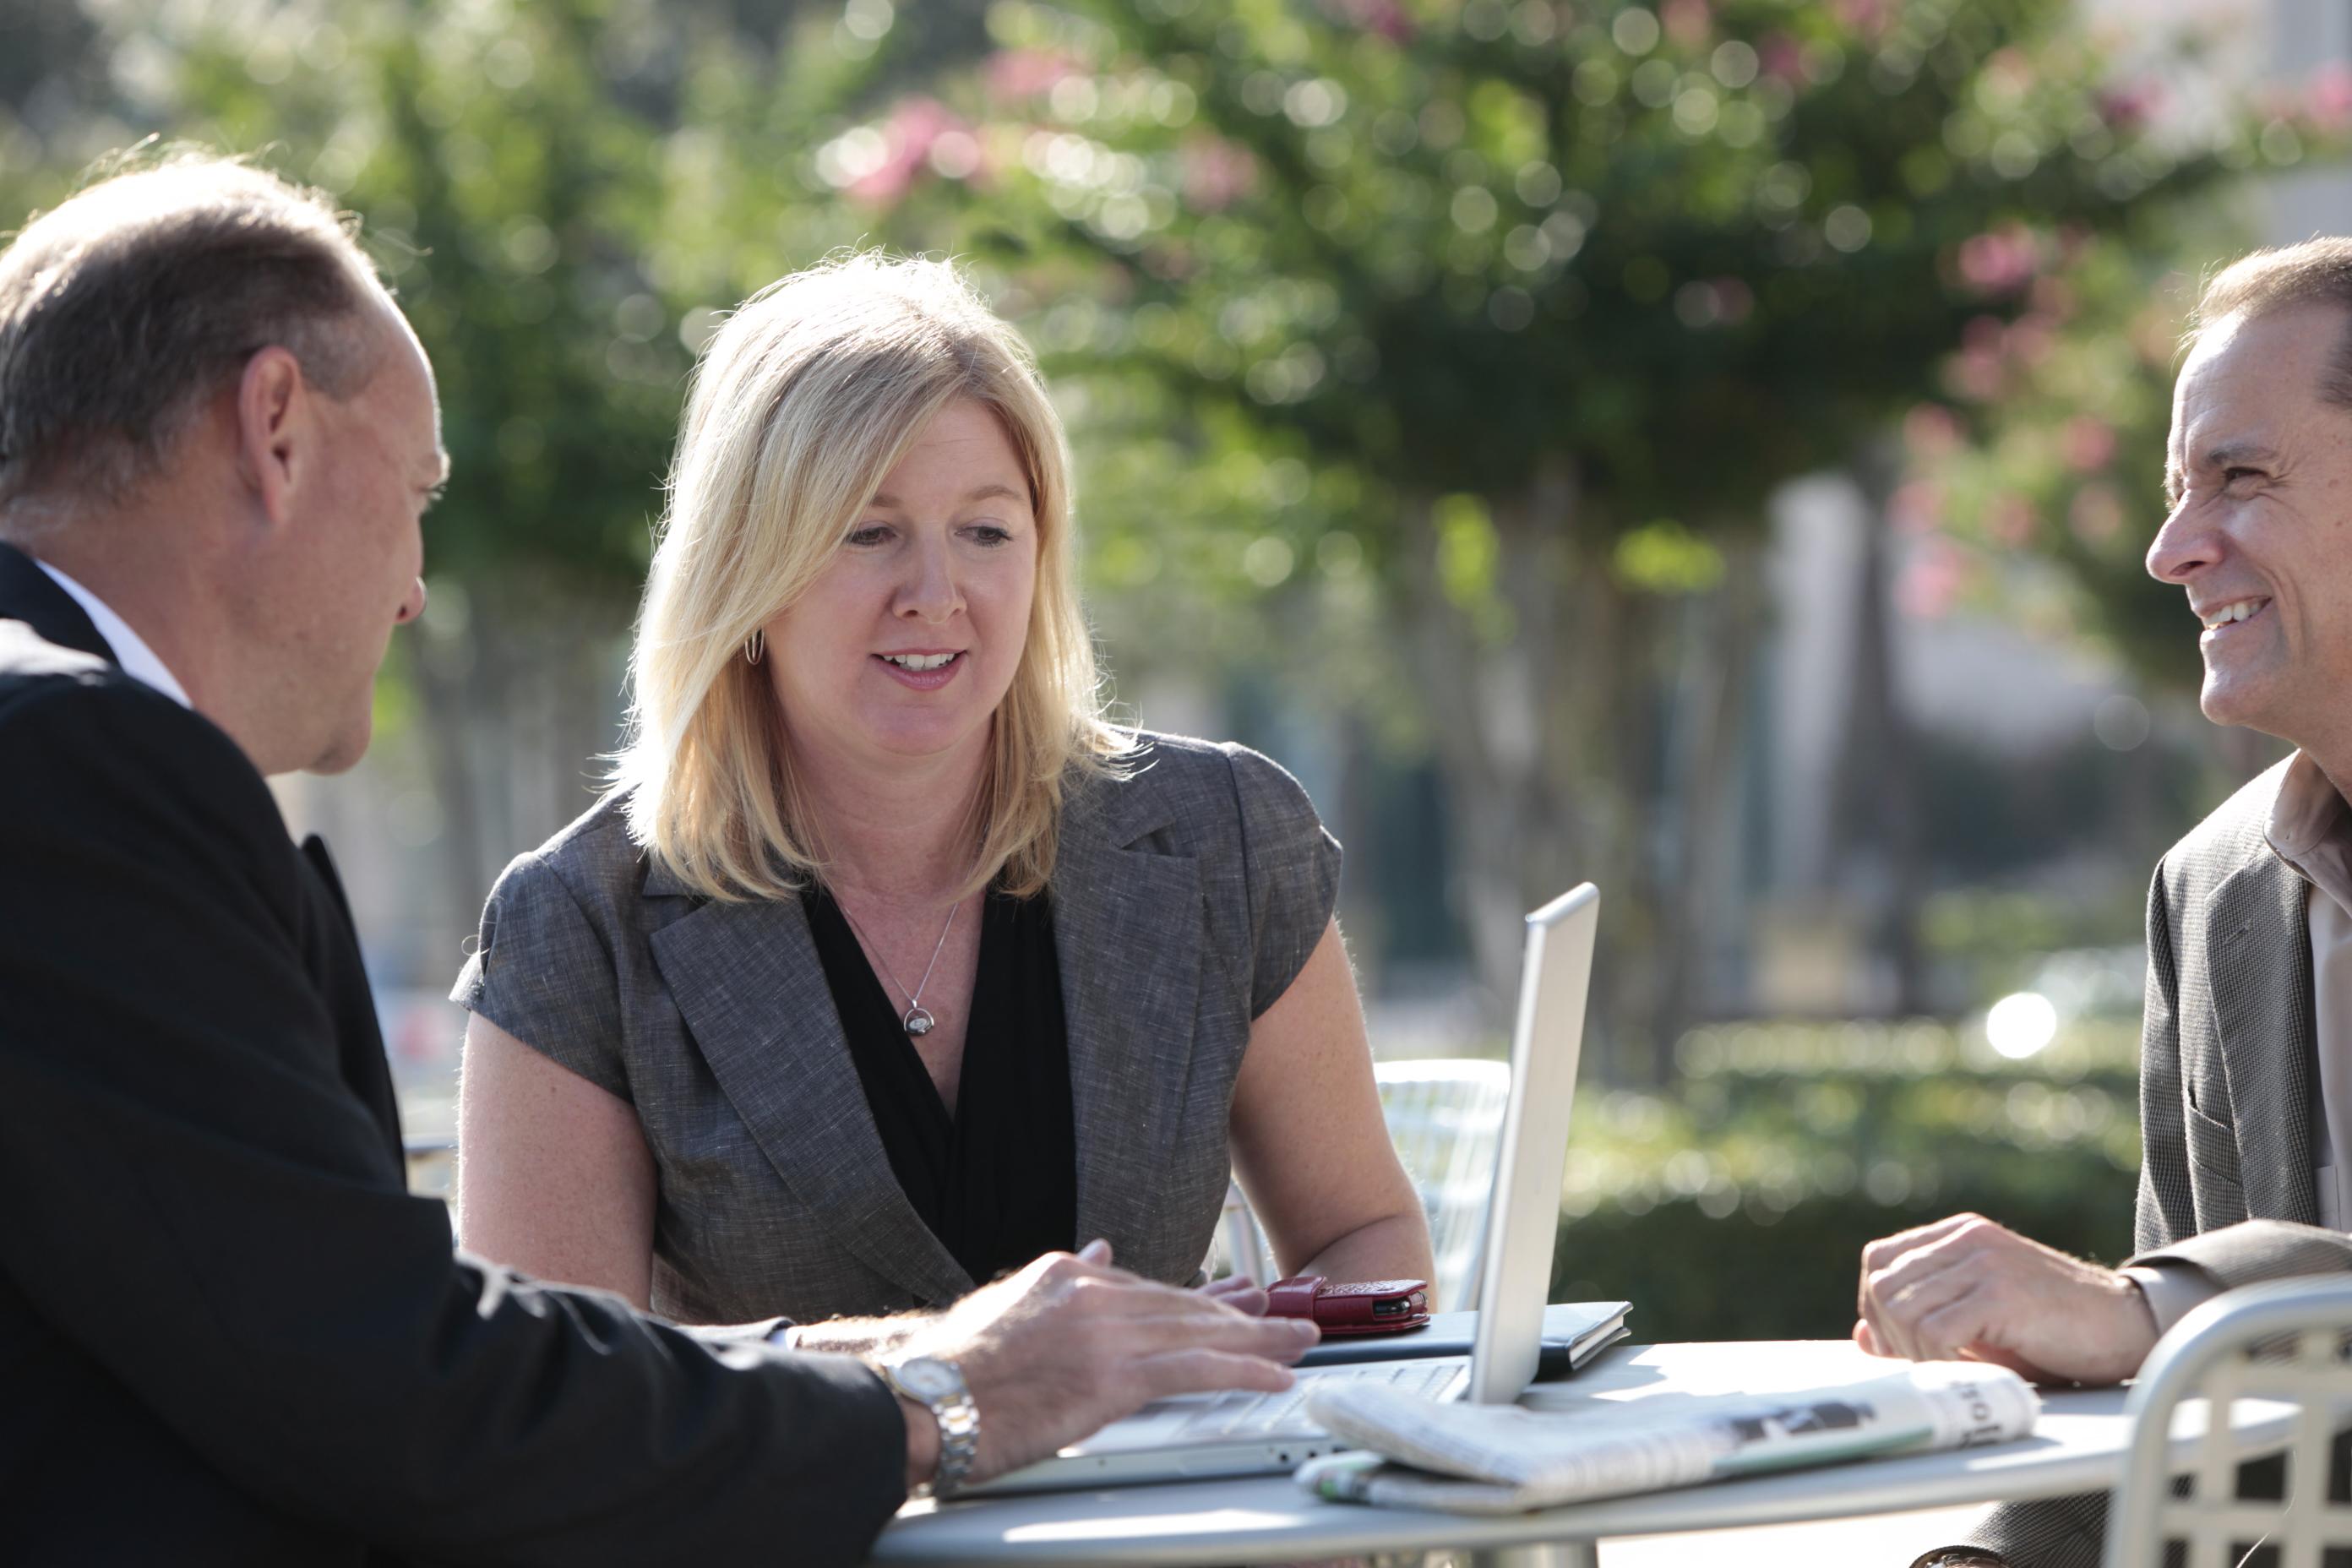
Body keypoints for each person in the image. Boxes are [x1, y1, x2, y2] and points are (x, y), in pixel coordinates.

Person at [0, 151, 1319, 1566]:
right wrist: (939, 1392)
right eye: (420, 492)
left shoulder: (66, 756)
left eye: (984, 530)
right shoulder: (76, 760)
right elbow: (400, 1379)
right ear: (276, 428)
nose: (412, 587)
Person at [449, 253, 1435, 1330]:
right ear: (746, 570)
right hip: (815, 1505)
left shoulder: (1221, 838)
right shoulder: (583, 922)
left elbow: (1363, 1238)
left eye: (987, 531)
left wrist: (1268, 1361)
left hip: (1169, 1497)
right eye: (868, 533)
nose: (937, 595)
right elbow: (555, 1394)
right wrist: (947, 1374)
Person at [1859, 237, 2352, 1568]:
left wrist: (2159, 1307)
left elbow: (2159, 1326)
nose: (2170, 551)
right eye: (2174, 491)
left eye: (2237, 478)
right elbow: (2167, 1420)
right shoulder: (2211, 891)